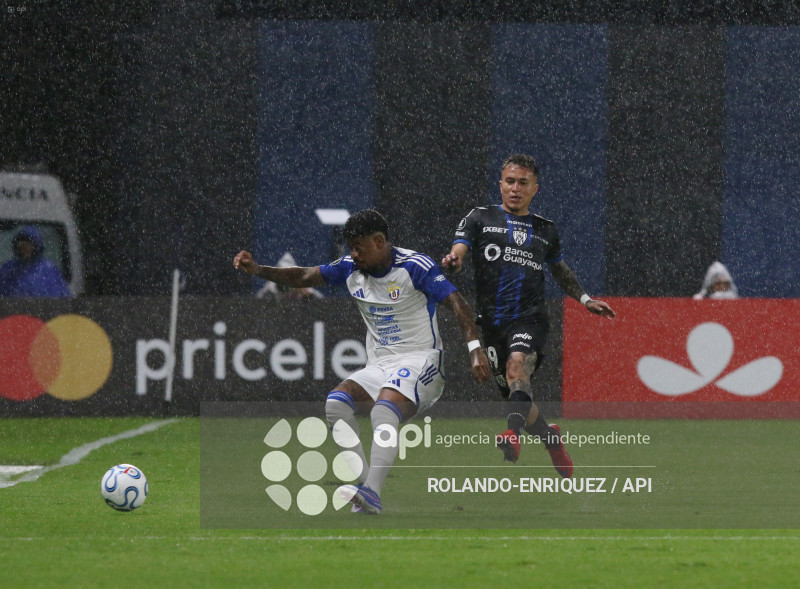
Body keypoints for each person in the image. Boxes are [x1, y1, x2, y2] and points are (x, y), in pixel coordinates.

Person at [234, 209, 491, 514]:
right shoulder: (349, 268)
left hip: (422, 362)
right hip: (380, 365)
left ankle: (370, 491)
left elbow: (456, 301)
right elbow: (303, 276)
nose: (353, 254)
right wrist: (257, 270)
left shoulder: (415, 266)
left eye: (359, 247)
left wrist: (475, 349)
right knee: (335, 404)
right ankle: (366, 489)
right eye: (350, 248)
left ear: (380, 241)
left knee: (384, 411)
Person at [442, 154, 615, 477]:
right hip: (491, 323)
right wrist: (455, 260)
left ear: (535, 189)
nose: (515, 189)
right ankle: (551, 439)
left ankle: (512, 434)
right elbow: (460, 248)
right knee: (517, 396)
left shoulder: (545, 230)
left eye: (523, 183)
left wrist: (585, 298)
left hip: (529, 318)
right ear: (501, 184)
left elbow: (559, 269)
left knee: (516, 366)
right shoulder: (480, 217)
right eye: (510, 181)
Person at [0, 225, 72, 298]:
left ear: (36, 247)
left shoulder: (49, 270)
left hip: (44, 308)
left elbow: (64, 298)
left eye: (28, 246)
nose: (25, 250)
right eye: (22, 247)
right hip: (13, 309)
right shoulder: (8, 269)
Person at [255, 251, 324, 300]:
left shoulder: (300, 287)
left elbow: (321, 300)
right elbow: (257, 301)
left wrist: (308, 295)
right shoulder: (270, 288)